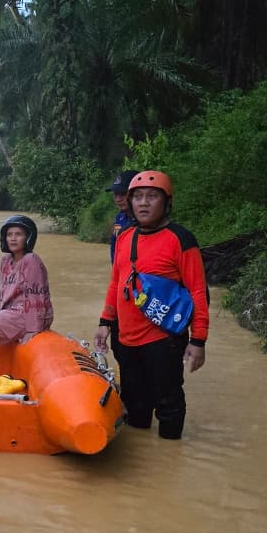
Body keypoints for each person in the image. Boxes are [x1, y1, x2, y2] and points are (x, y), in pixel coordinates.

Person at [94, 170, 208, 439]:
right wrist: (105, 322)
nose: (143, 203)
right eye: (138, 197)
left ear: (166, 202)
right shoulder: (124, 236)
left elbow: (198, 291)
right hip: (126, 337)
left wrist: (198, 340)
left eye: (152, 196)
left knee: (169, 403)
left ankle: (170, 454)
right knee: (135, 407)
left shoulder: (181, 239)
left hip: (163, 339)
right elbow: (116, 282)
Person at [0, 214, 54, 380]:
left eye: (18, 234)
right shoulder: (6, 260)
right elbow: (4, 292)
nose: (13, 238)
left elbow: (36, 294)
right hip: (10, 309)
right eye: (9, 234)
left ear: (28, 237)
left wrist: (33, 328)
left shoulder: (31, 260)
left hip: (26, 313)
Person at [104, 171, 137, 384]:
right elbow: (114, 248)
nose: (118, 198)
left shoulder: (144, 223)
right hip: (119, 284)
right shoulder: (120, 219)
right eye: (115, 194)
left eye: (122, 193)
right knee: (117, 339)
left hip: (140, 290)